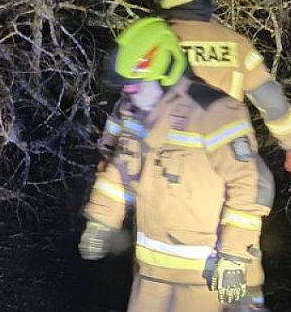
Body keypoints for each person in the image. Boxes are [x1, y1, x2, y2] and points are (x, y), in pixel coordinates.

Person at [79, 17, 274, 311]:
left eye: (135, 85)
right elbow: (121, 172)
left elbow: (246, 187)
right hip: (151, 274)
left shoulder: (216, 112)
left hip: (204, 276)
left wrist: (234, 257)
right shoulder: (136, 116)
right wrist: (101, 221)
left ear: (166, 70)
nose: (128, 94)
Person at [149, 0, 291, 182]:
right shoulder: (236, 45)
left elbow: (126, 99)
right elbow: (271, 100)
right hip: (224, 158)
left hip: (162, 158)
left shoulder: (150, 41)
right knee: (258, 190)